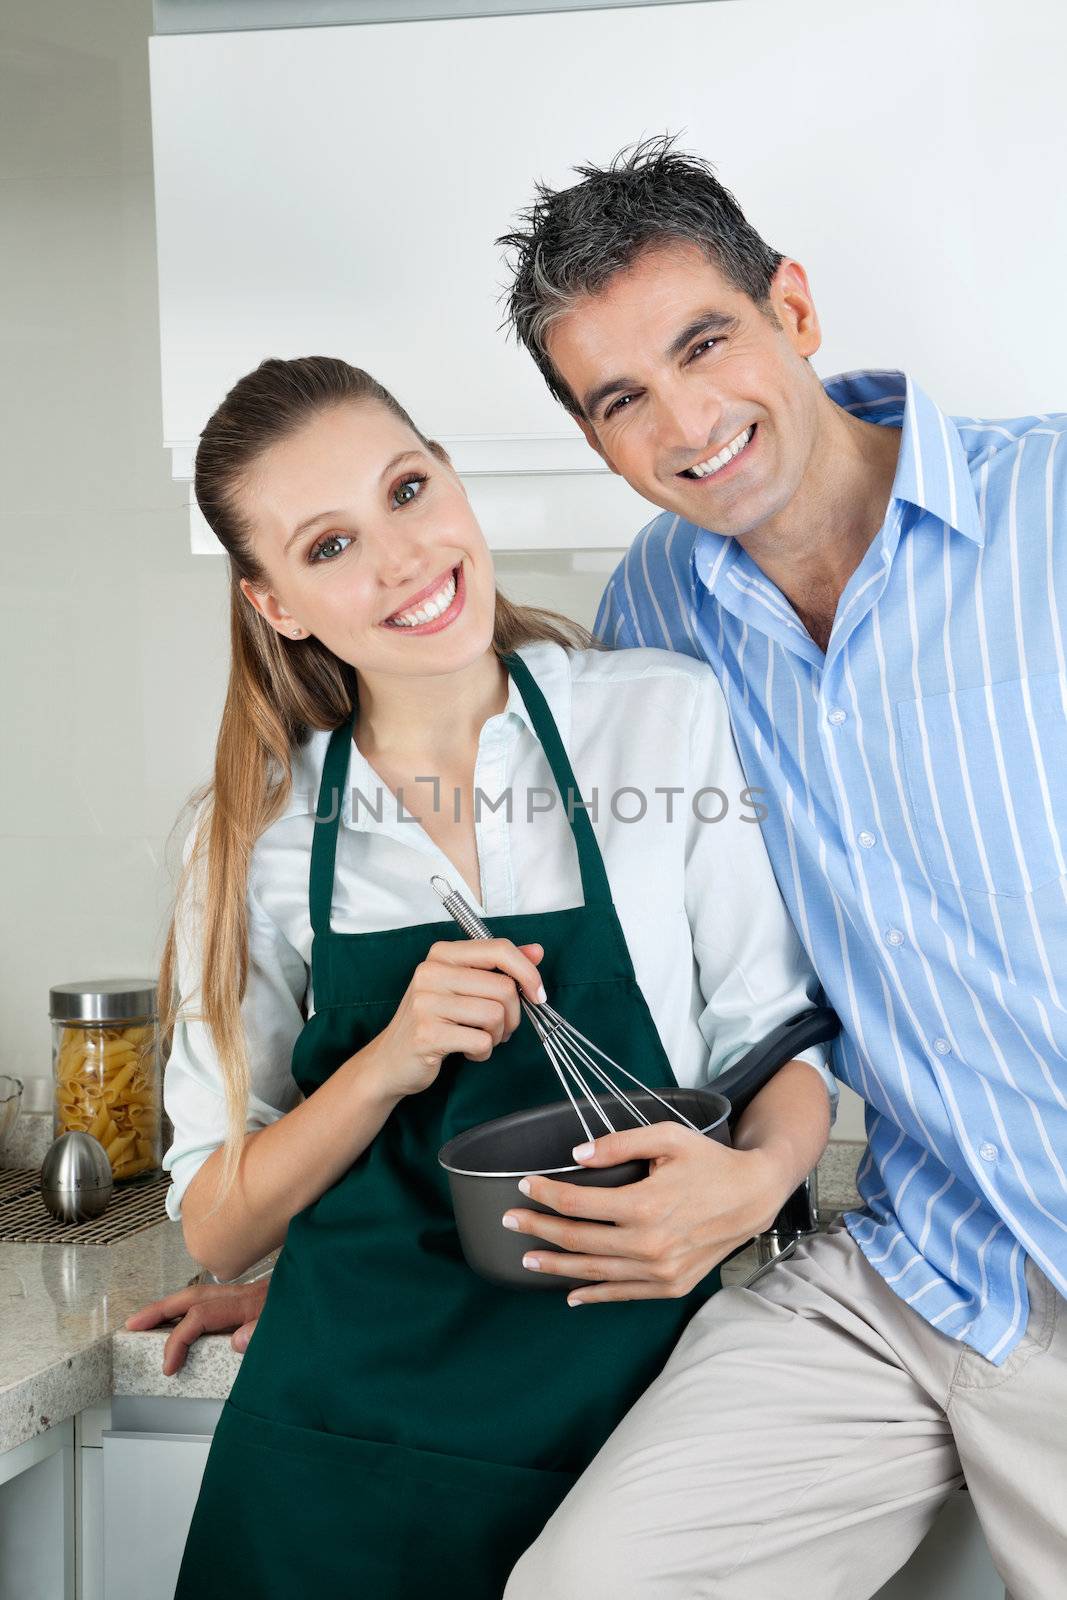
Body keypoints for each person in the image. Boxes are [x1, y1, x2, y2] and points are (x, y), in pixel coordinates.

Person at [150, 353, 834, 1599]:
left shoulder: (659, 720)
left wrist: (753, 1185)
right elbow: (217, 1220)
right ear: (275, 604)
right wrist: (383, 1064)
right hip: (335, 1444)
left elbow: (779, 1047)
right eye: (329, 544)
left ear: (454, 481)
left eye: (407, 489)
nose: (403, 558)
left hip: (628, 1416)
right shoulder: (254, 832)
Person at [491, 140, 1067, 1600]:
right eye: (619, 399)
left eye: (704, 343)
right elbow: (710, 967)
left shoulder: (1050, 511)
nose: (685, 422)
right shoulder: (656, 607)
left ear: (791, 311)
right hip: (915, 1268)